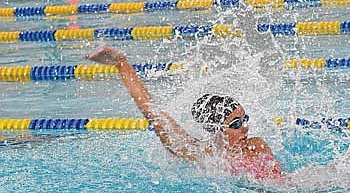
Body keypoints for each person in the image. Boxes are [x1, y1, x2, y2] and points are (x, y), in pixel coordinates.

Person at [86, 47, 284, 181]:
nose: (245, 128)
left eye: (243, 120)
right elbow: (152, 112)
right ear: (217, 130)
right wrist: (122, 64)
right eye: (235, 124)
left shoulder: (257, 144)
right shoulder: (205, 155)